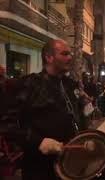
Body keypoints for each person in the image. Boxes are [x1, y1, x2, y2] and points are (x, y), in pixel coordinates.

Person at [3, 40, 91, 180]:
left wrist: (87, 108)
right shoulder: (29, 85)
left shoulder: (71, 85)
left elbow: (80, 117)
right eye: (65, 54)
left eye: (70, 54)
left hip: (71, 165)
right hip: (40, 168)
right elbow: (6, 125)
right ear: (49, 57)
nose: (70, 58)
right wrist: (38, 142)